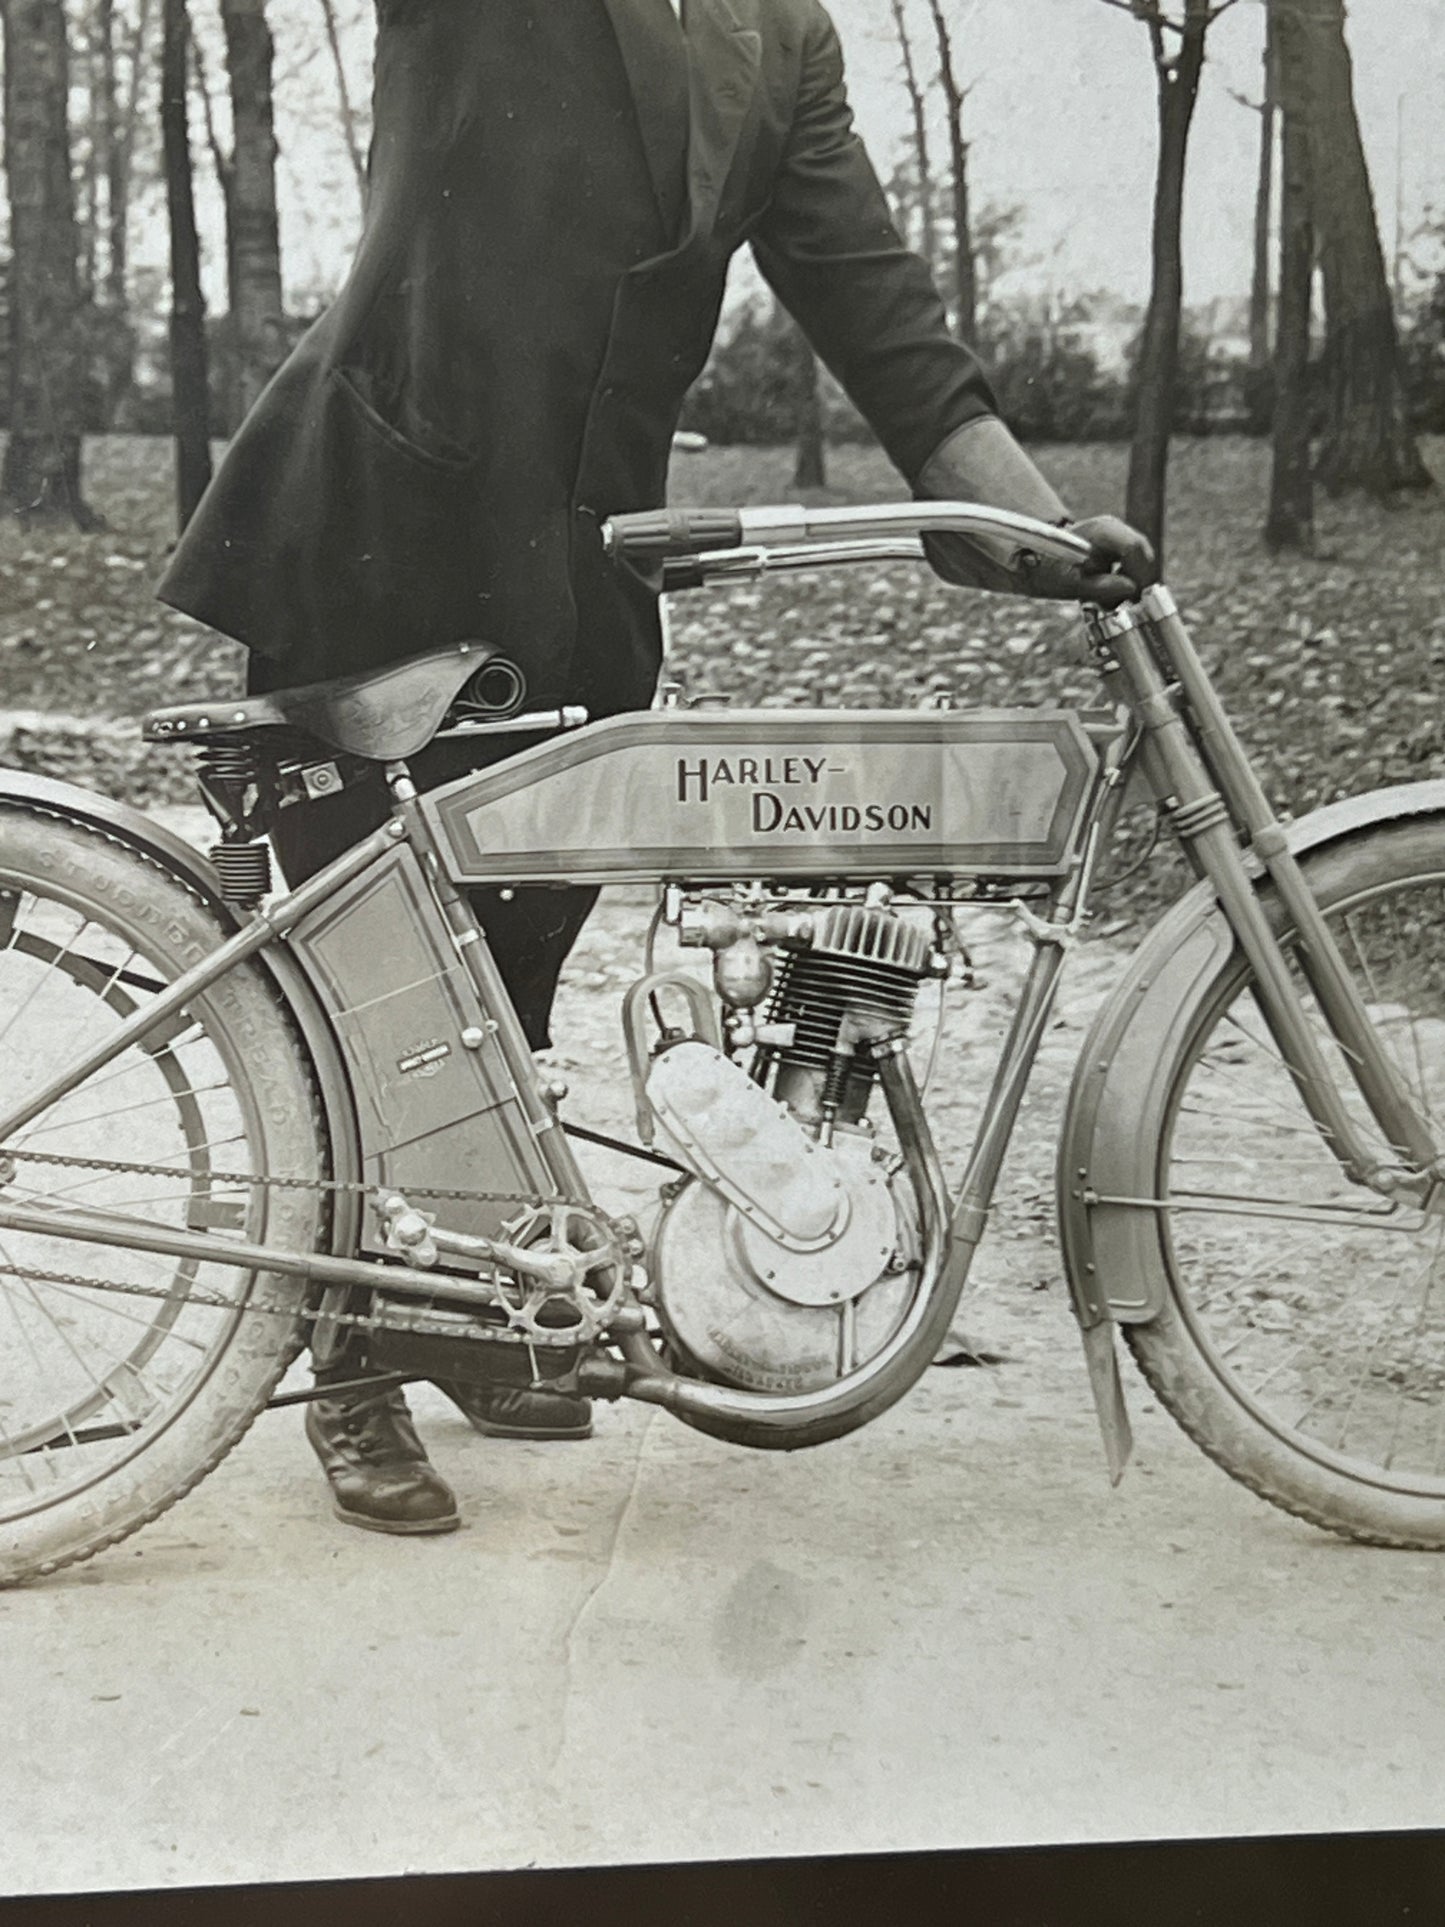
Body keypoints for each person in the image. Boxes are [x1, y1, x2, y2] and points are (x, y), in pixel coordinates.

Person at [158, 0, 1156, 1537]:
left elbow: (873, 305)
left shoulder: (783, 39)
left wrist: (1026, 528)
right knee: (375, 999)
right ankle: (349, 1354)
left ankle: (476, 1309)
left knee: (519, 978)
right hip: (376, 534)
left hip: (586, 570)